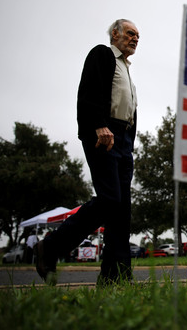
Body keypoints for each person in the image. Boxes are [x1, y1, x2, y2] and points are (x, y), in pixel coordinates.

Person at [36, 19, 140, 285]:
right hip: (104, 134)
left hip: (124, 140)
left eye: (138, 36)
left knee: (122, 209)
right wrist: (99, 126)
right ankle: (51, 247)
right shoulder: (103, 54)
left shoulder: (126, 68)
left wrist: (128, 139)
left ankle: (115, 278)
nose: (135, 38)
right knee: (109, 200)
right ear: (115, 34)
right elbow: (89, 93)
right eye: (130, 33)